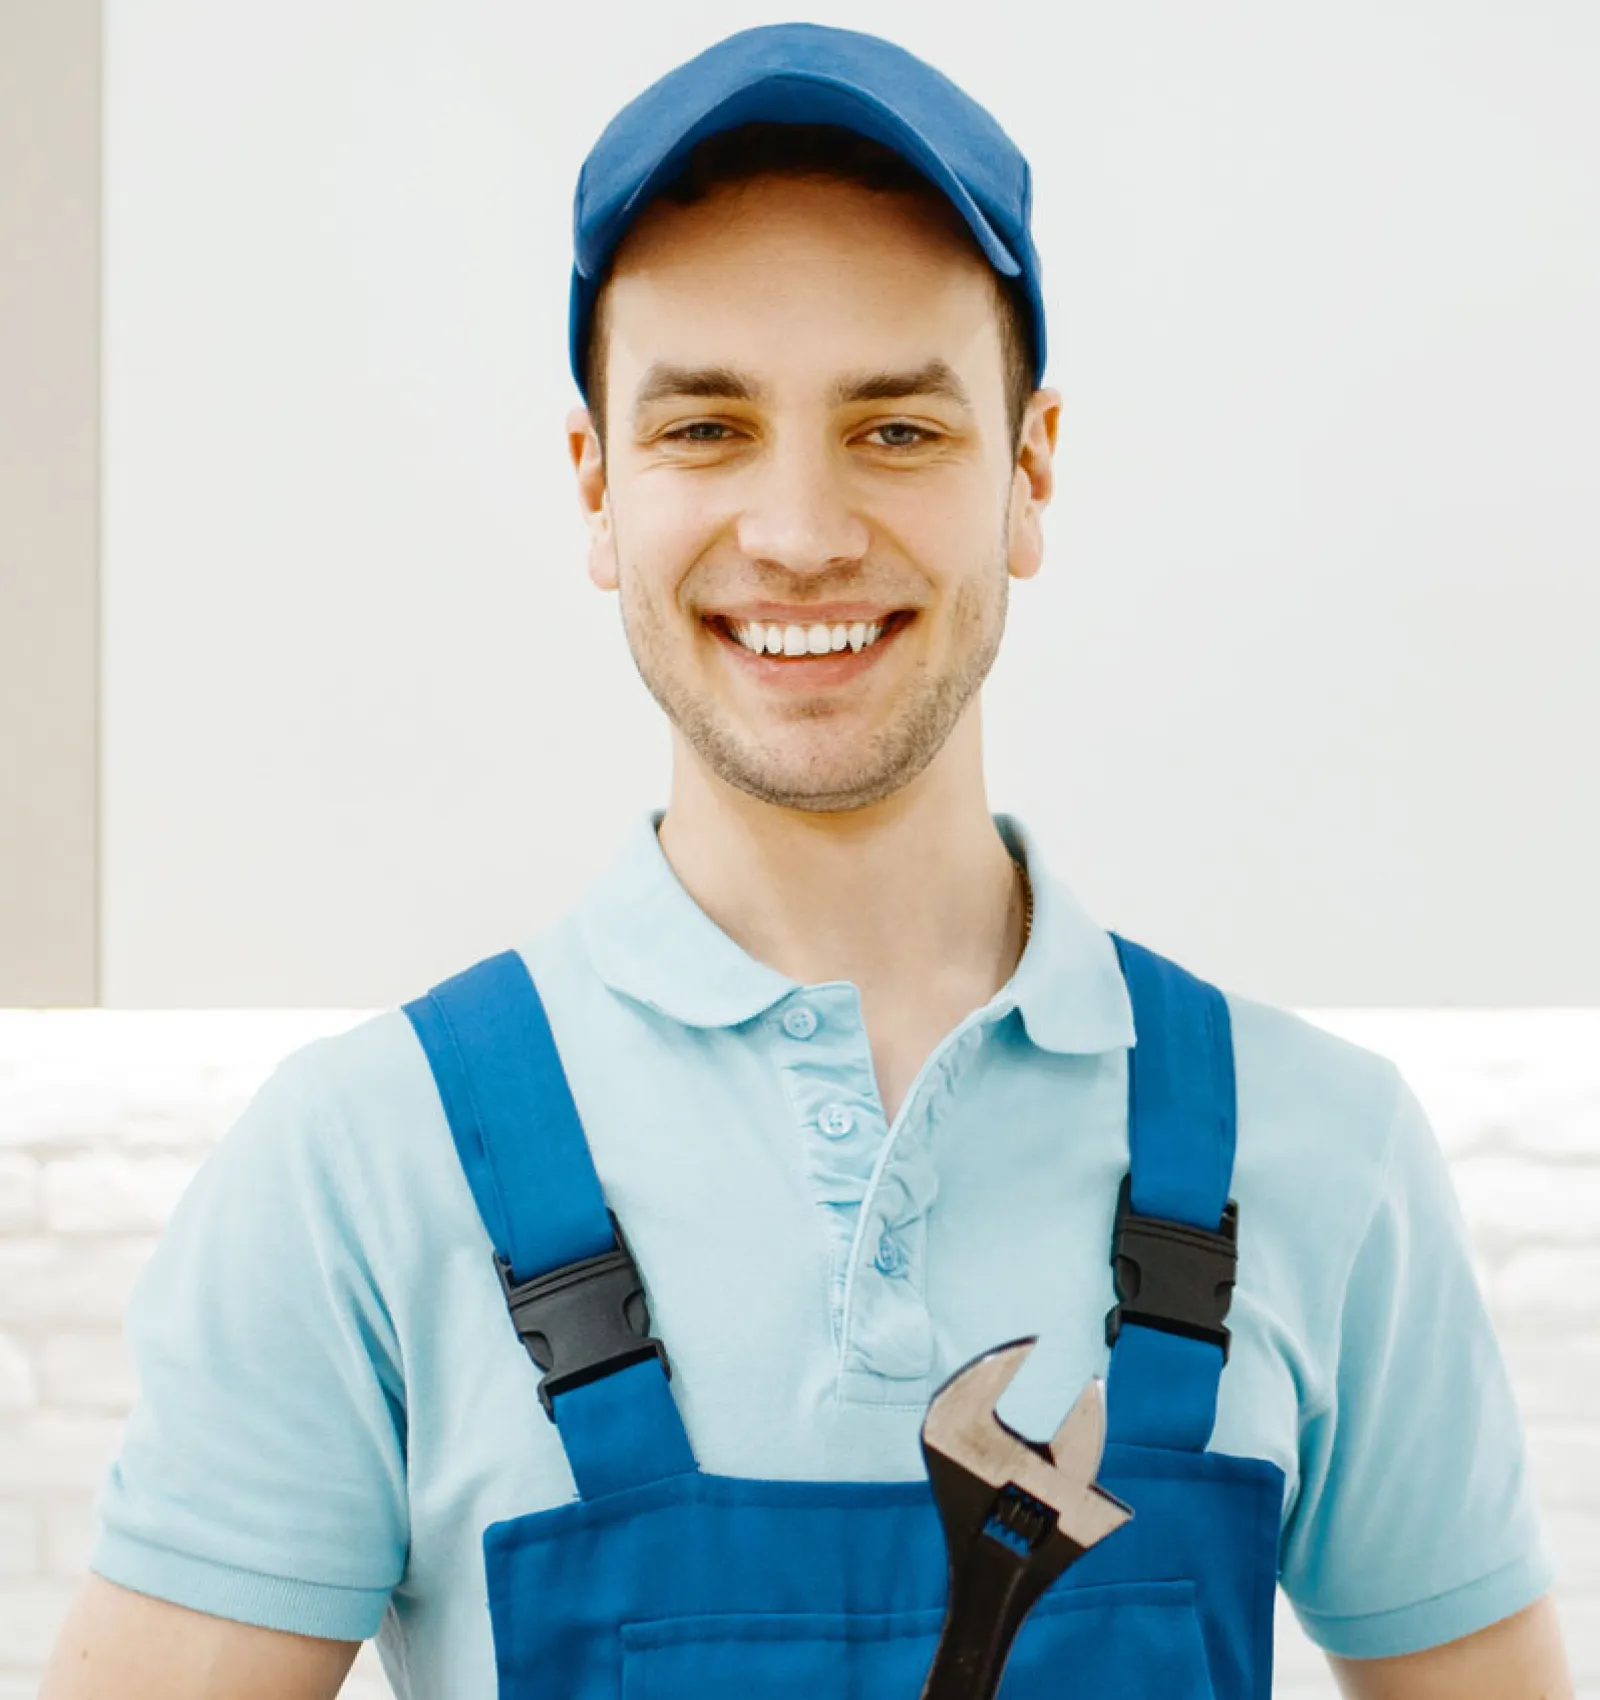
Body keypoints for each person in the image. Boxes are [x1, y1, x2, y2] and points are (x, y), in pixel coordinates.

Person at [40, 22, 1572, 1700]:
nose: (799, 534)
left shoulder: (1318, 1154)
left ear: (1031, 471)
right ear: (597, 485)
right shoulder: (363, 1172)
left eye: (897, 430)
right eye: (706, 428)